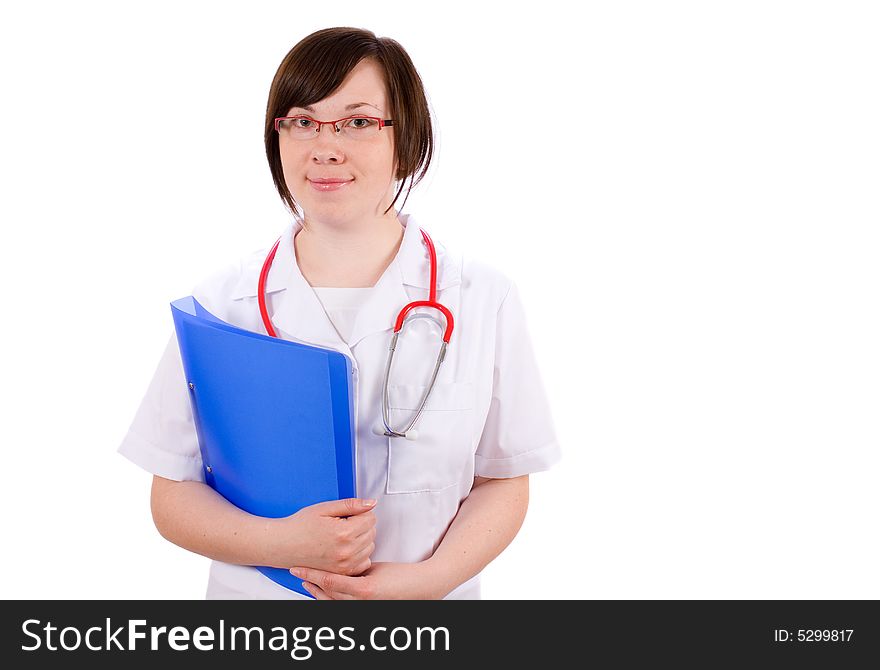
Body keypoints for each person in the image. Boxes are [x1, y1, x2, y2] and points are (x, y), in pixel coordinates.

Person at [118, 26, 561, 600]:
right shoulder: (221, 305)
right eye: (301, 121)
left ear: (409, 141)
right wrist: (280, 542)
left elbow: (504, 476)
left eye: (357, 122)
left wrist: (427, 581)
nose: (324, 146)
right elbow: (171, 495)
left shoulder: (480, 297)